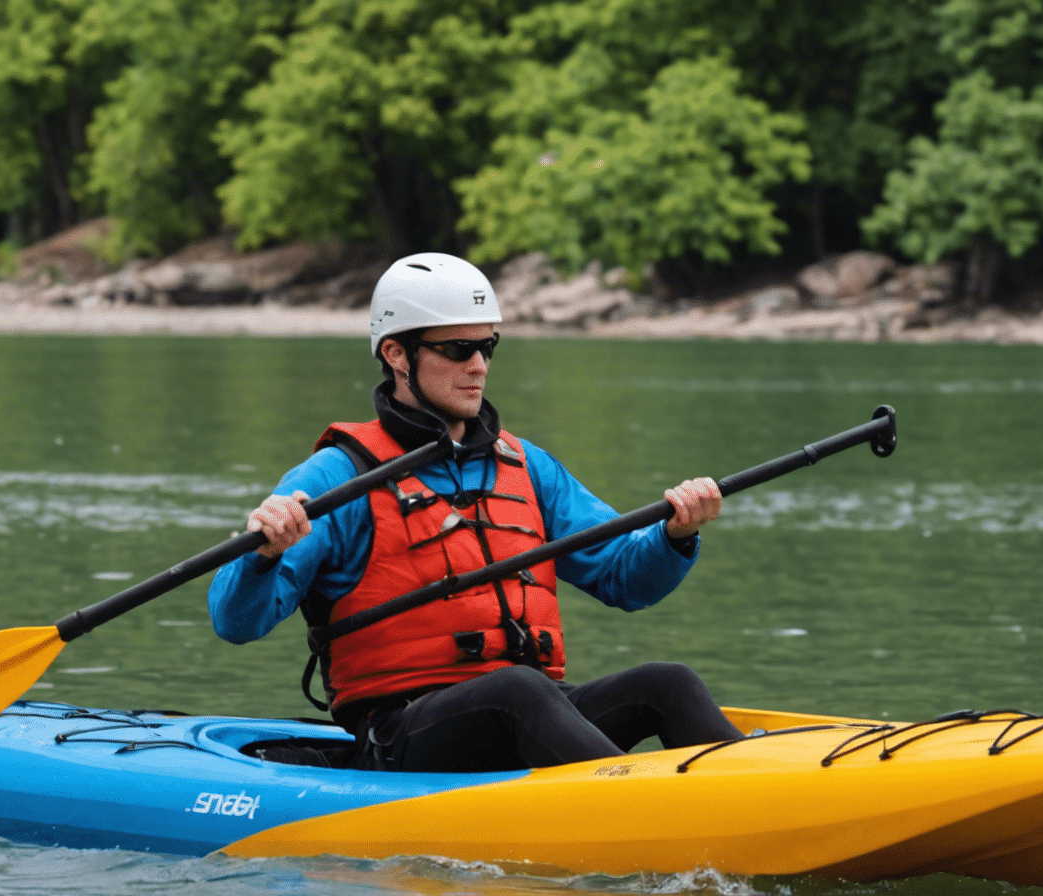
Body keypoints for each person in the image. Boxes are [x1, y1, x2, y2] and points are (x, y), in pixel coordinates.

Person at [209, 253, 743, 771]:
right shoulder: (337, 476)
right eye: (459, 348)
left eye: (488, 345)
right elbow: (235, 622)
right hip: (401, 731)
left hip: (529, 713)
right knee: (518, 689)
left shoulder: (527, 467)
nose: (479, 365)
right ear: (396, 354)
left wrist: (674, 535)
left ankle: (757, 801)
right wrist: (263, 555)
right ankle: (643, 815)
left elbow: (627, 579)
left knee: (666, 682)